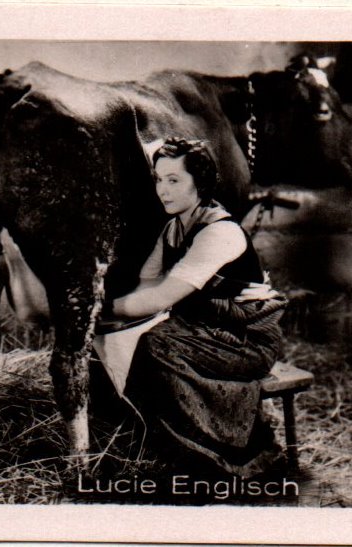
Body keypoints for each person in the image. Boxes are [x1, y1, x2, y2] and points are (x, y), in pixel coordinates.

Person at [106, 137, 287, 478]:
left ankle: (215, 453)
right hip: (206, 329)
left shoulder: (219, 232)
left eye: (174, 180)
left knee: (156, 343)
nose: (163, 190)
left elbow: (160, 298)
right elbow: (149, 284)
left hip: (246, 339)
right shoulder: (174, 228)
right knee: (127, 340)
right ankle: (153, 445)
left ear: (200, 183)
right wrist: (112, 316)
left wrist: (96, 309)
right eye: (159, 179)